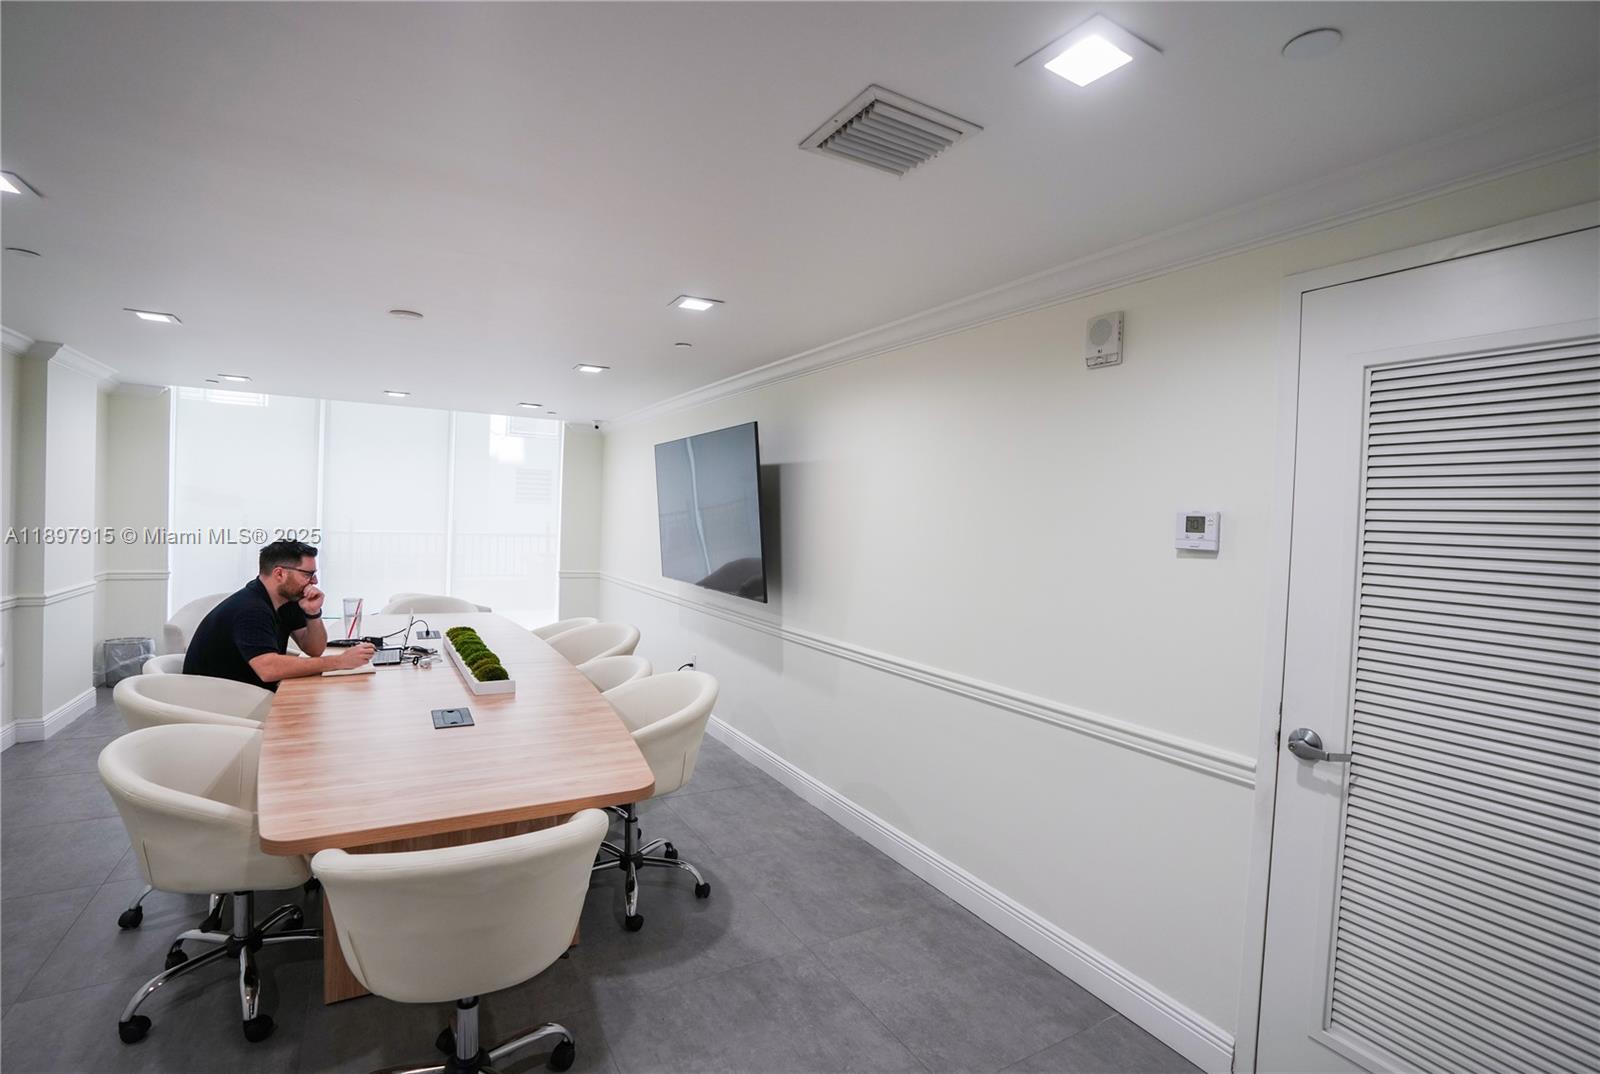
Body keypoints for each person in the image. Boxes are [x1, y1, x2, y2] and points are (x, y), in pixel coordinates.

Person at [182, 540, 374, 689]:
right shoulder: (250, 609)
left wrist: (313, 613)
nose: (314, 581)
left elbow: (313, 649)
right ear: (280, 574)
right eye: (307, 574)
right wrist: (340, 661)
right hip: (218, 697)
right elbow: (269, 669)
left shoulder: (286, 600)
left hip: (246, 689)